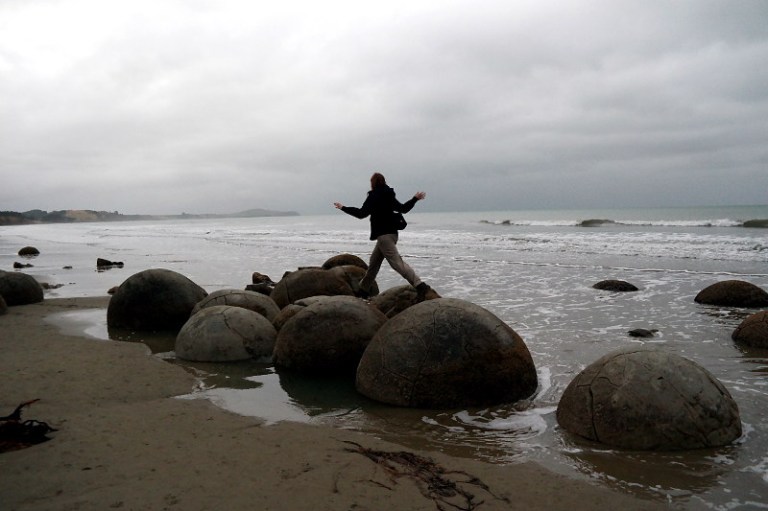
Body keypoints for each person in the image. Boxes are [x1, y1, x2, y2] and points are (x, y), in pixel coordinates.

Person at [334, 172, 439, 302]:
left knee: (397, 263)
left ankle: (420, 286)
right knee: (374, 263)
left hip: (384, 236)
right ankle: (363, 290)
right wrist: (415, 199)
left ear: (372, 183)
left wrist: (343, 207)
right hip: (392, 234)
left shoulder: (373, 196)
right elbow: (403, 209)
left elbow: (361, 213)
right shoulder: (389, 195)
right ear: (384, 182)